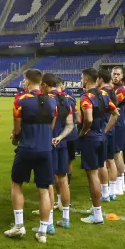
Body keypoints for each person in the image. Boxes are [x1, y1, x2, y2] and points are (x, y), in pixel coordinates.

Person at [6, 69, 57, 243]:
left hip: (26, 148)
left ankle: (19, 226)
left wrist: (15, 138)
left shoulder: (20, 100)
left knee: (16, 184)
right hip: (45, 149)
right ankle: (43, 232)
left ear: (27, 82)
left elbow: (17, 129)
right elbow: (52, 125)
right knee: (43, 190)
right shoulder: (52, 101)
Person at [79, 67, 117, 225]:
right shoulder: (104, 94)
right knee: (101, 167)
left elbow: (87, 119)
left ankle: (97, 214)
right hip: (103, 137)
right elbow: (116, 114)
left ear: (86, 79)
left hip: (91, 138)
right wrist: (105, 130)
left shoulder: (86, 97)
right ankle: (97, 208)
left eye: (82, 78)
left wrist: (83, 133)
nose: (81, 80)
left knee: (92, 175)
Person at [45, 73, 77, 229]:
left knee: (48, 182)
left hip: (46, 145)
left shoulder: (45, 99)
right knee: (64, 180)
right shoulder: (69, 100)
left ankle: (49, 223)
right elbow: (71, 124)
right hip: (62, 143)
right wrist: (60, 137)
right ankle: (66, 219)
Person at [97, 70, 120, 202]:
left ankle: (105, 192)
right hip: (112, 127)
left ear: (100, 79)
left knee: (102, 162)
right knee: (111, 160)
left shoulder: (103, 92)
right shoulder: (112, 90)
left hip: (104, 127)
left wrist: (105, 129)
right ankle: (113, 191)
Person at [109, 66, 125, 197]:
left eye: (118, 74)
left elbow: (112, 103)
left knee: (116, 153)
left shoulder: (121, 90)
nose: (115, 76)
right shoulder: (113, 89)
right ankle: (120, 185)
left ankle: (119, 185)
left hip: (118, 124)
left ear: (122, 76)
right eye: (114, 74)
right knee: (115, 153)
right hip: (115, 123)